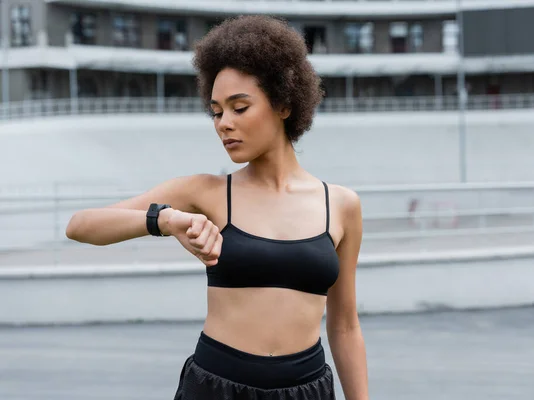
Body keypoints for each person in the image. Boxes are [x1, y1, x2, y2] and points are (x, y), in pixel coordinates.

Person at [66, 15, 369, 400]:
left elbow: (344, 327)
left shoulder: (340, 205)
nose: (224, 123)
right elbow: (80, 225)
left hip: (306, 391)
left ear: (284, 104)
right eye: (216, 111)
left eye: (239, 108)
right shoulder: (205, 192)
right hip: (216, 388)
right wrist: (165, 220)